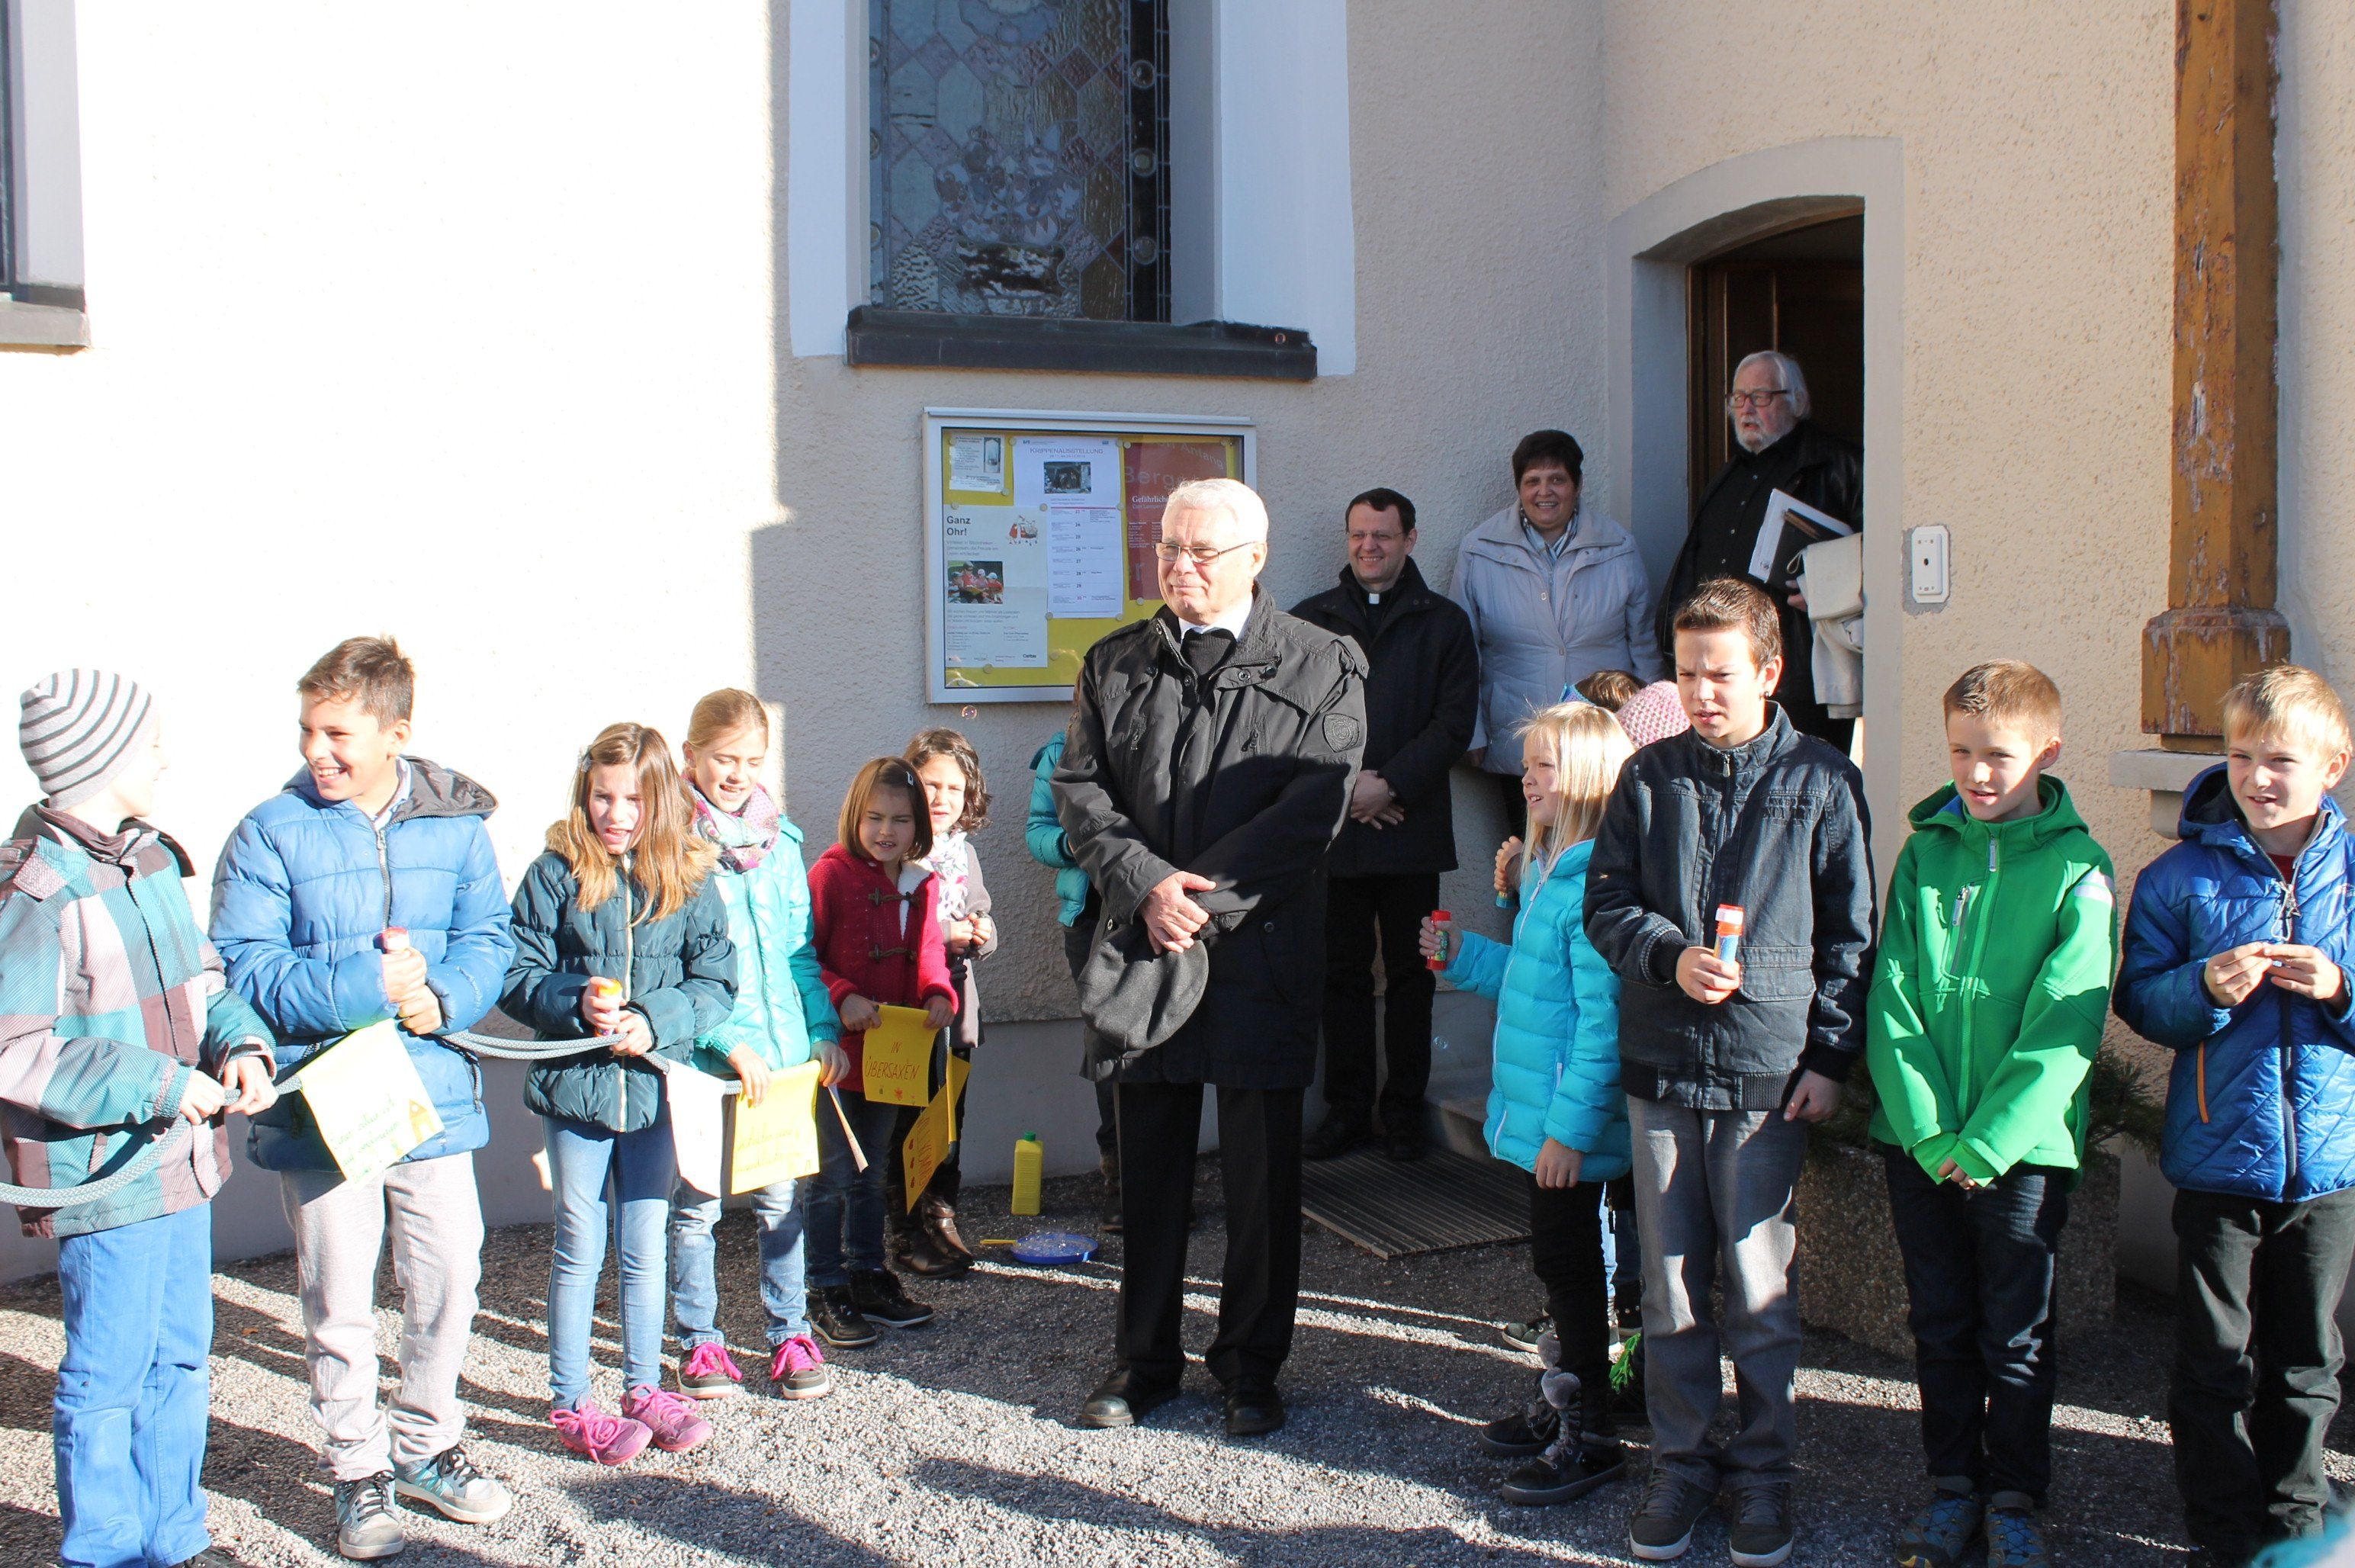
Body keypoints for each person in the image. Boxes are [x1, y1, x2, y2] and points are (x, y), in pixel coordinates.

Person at [1054, 475, 1366, 1440]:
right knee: (1147, 1170)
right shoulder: (1114, 662)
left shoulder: (1321, 661)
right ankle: (1143, 1359)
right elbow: (1080, 789)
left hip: (1259, 949)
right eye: (1167, 547)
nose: (1178, 566)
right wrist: (1146, 884)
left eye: (1200, 551)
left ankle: (1249, 1366)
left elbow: (1313, 807)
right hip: (1146, 945)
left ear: (1254, 559)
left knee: (1261, 1179)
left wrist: (1196, 899)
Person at [1584, 577, 1875, 1566]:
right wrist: (1668, 955)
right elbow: (1606, 904)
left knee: (1757, 1285)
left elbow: (1850, 935)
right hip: (1663, 1062)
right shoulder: (1647, 776)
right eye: (1686, 672)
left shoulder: (1823, 780)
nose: (1701, 693)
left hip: (1767, 1069)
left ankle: (1762, 1471)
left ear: (1769, 671)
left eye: (1719, 674)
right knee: (1669, 1287)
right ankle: (1680, 1461)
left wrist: (1830, 1057)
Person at [211, 635, 518, 1561]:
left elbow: (490, 937)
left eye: (337, 732)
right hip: (324, 1101)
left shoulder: (459, 826)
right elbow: (244, 968)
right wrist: (366, 988)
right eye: (309, 729)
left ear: (397, 732)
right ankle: (356, 1468)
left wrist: (446, 997)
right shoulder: (269, 830)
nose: (317, 750)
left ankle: (426, 1443)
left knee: (450, 1276)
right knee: (339, 1294)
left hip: (431, 1090)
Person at [4, 673, 278, 1568]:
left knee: (182, 1358)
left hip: (181, 1165)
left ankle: (177, 1539)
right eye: (149, 741)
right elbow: (16, 1049)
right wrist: (161, 1084)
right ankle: (104, 1551)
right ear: (99, 758)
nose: (163, 756)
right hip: (105, 1178)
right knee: (106, 1377)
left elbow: (205, 980)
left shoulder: (153, 859)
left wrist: (241, 1044)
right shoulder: (34, 891)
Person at [1867, 661, 2116, 1568]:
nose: (1976, 773)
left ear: (2046, 752)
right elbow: (1892, 1000)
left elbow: (2066, 1022)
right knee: (1938, 1323)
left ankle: (2013, 1493)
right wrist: (1932, 1132)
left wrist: (1990, 1143)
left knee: (2014, 1333)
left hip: (2024, 1153)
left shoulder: (2080, 868)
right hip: (1921, 1145)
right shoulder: (1924, 853)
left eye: (1998, 756)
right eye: (1960, 752)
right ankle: (1950, 1486)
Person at [2115, 664, 2355, 1568]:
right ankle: (2220, 1527)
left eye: (2280, 759)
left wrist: (2339, 988)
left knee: (2307, 1360)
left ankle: (2294, 1519)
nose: (2257, 777)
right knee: (2213, 1358)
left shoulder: (2352, 875)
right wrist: (2204, 989)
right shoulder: (2178, 876)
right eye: (2241, 755)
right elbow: (2140, 1001)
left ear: (2332, 765)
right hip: (2218, 1160)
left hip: (2329, 1169)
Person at [503, 721, 735, 1465]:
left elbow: (716, 982)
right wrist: (575, 1002)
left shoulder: (690, 876)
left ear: (660, 799)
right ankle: (572, 1399)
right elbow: (515, 973)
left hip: (656, 1091)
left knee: (644, 1243)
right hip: (577, 1091)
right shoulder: (554, 872)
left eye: (633, 799)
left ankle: (643, 1388)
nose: (616, 813)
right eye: (602, 796)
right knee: (580, 1243)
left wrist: (653, 1020)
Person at [1421, 702, 1634, 1507]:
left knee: (1571, 1271)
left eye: (1545, 766)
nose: (1528, 780)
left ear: (1586, 778)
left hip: (1565, 1126)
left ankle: (1592, 1432)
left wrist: (1568, 1133)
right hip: (1548, 1116)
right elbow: (1534, 984)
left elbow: (1602, 1024)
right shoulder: (1552, 871)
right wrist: (1464, 955)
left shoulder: (1590, 886)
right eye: (1529, 764)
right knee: (1560, 1267)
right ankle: (1566, 1403)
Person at [668, 690, 850, 1404]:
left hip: (780, 1060)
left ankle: (789, 1332)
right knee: (698, 1206)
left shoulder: (784, 844)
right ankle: (700, 1340)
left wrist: (822, 1033)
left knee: (782, 1202)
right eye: (723, 759)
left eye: (751, 760)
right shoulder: (675, 845)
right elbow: (671, 965)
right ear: (691, 756)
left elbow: (799, 953)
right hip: (705, 1060)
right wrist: (724, 1040)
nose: (737, 774)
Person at [1293, 486, 1480, 1162]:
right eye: (1358, 535)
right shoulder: (1309, 621)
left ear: (1410, 539)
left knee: (1411, 975)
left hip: (1411, 827)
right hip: (1337, 832)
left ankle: (1403, 1113)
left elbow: (1453, 723)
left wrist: (1391, 784)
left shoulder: (1445, 624)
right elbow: (1290, 720)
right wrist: (1352, 789)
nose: (1368, 546)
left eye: (1383, 535)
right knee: (1339, 975)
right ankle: (1347, 1111)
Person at [806, 757, 957, 1345]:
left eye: (900, 820)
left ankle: (868, 1274)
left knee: (873, 1173)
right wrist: (842, 996)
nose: (886, 831)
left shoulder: (920, 883)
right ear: (854, 817)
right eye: (874, 818)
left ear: (918, 824)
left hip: (893, 1055)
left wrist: (938, 991)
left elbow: (929, 952)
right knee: (832, 1176)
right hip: (839, 1055)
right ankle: (825, 1285)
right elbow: (806, 956)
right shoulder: (830, 876)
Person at [1656, 350, 1863, 751]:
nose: (1747, 409)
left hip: (1802, 676)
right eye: (1739, 398)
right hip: (1722, 677)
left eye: (1761, 397)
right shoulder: (1727, 475)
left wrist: (1830, 588)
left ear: (1797, 402)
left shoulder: (1839, 467)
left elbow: (1880, 556)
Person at [1453, 429, 1662, 825]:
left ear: (1577, 485)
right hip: (1520, 736)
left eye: (1557, 479)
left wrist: (1656, 730)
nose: (1544, 492)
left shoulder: (1618, 546)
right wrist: (1473, 732)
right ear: (1518, 487)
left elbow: (1643, 644)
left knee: (1602, 850)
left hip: (1602, 734)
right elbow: (1464, 651)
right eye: (1532, 480)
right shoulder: (1479, 549)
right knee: (1527, 851)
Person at [893, 727, 998, 1275]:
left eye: (954, 789)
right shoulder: (894, 846)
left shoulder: (963, 852)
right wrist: (943, 933)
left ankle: (942, 1215)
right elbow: (888, 924)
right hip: (907, 1008)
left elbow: (980, 912)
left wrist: (982, 930)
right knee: (906, 1119)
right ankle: (905, 1229)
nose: (942, 798)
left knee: (949, 1117)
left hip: (957, 1007)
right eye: (931, 785)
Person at [1028, 715, 1121, 1231]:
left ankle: (1163, 1178)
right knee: (1106, 1045)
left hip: (1151, 911)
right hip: (1088, 918)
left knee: (1158, 1047)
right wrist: (1077, 844)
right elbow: (1037, 833)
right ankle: (1120, 1179)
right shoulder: (1061, 748)